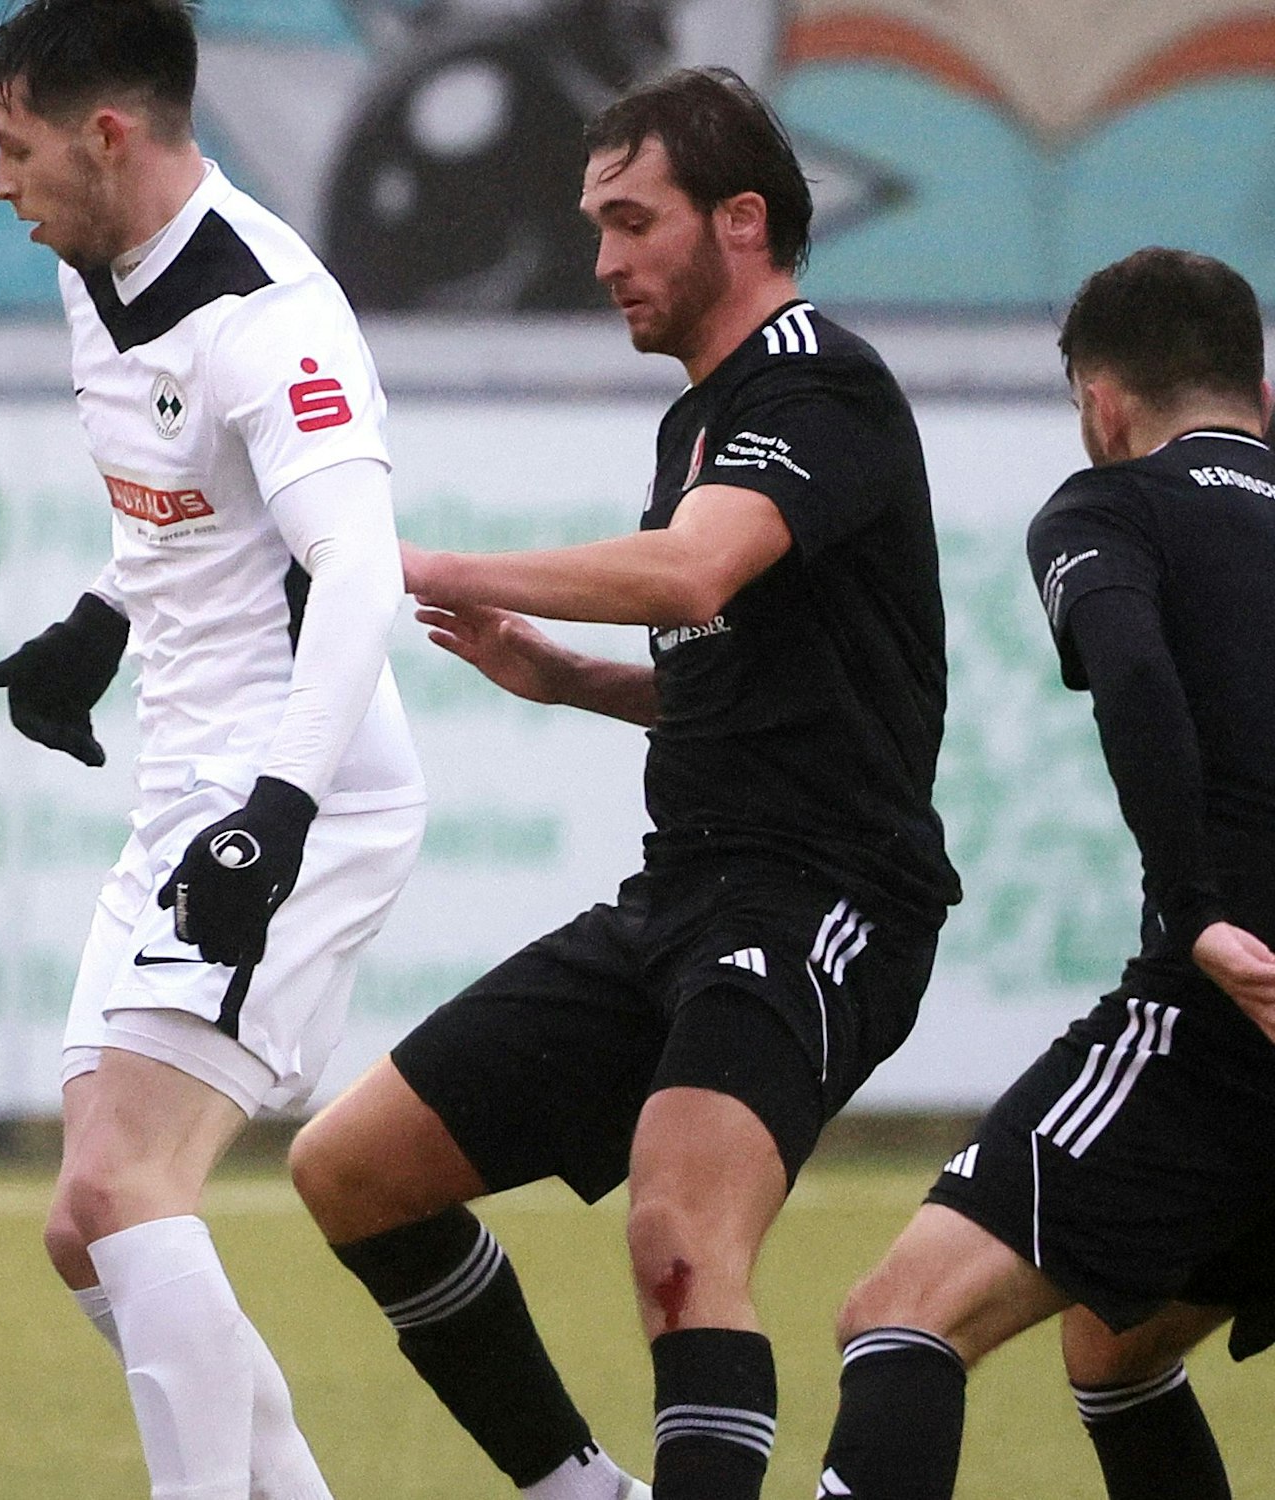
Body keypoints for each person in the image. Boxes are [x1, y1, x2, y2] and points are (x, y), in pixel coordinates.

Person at [287, 67, 958, 1500]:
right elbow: (757, 668)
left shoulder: (814, 377)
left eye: (631, 221)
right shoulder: (704, 418)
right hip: (685, 898)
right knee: (351, 1172)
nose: (600, 262)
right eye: (595, 225)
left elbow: (693, 570)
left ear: (742, 220)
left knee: (677, 1232)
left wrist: (417, 561)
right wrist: (572, 679)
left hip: (828, 893)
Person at [0, 3, 427, 1498]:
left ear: (110, 137)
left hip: (301, 789)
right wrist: (97, 626)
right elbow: (179, 513)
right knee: (84, 1225)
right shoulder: (90, 274)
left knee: (123, 1181)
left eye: (16, 150)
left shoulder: (271, 309)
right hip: (190, 786)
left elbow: (356, 568)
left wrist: (276, 817)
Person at [814, 248, 1275, 1500]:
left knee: (897, 1317)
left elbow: (1135, 680)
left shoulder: (1106, 508)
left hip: (1230, 1019)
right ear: (1261, 395)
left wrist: (1199, 914)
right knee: (1111, 1345)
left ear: (1101, 408)